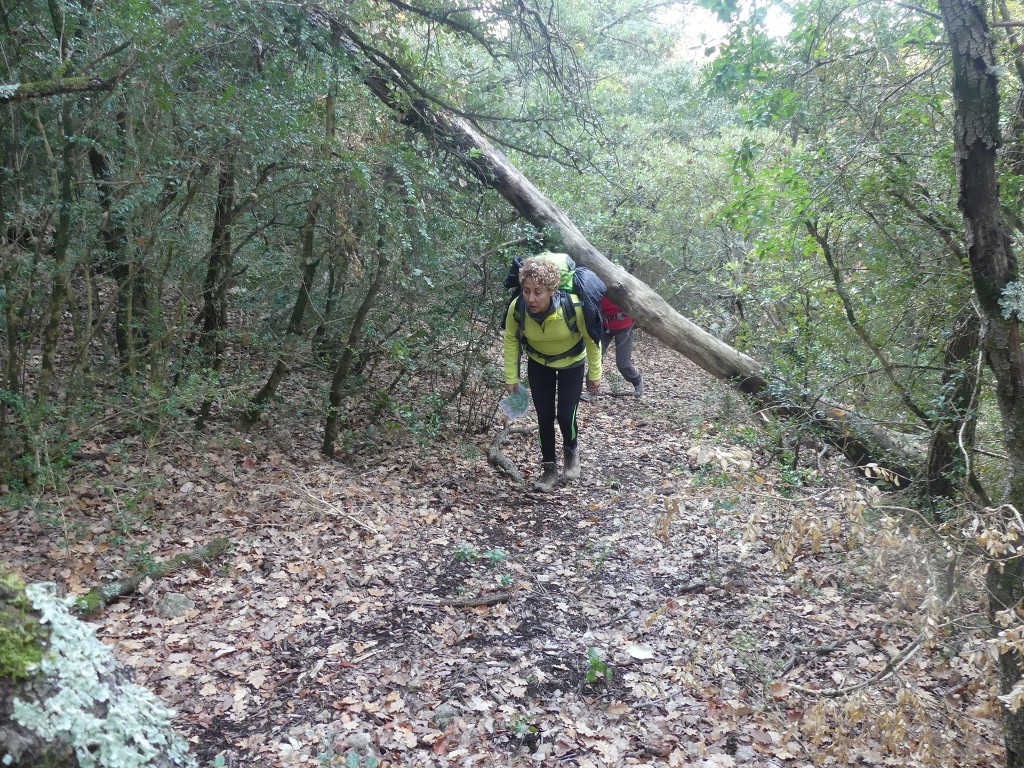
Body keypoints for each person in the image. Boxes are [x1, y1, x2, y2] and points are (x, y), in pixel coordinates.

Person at [504, 256, 602, 491]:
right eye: (527, 290)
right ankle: (549, 470)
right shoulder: (517, 308)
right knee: (544, 417)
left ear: (552, 290)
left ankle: (571, 448)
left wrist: (595, 373)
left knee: (565, 415)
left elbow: (591, 338)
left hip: (572, 364)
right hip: (539, 364)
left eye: (538, 292)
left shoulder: (574, 306)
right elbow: (510, 339)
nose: (531, 298)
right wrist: (511, 377)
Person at [582, 295, 643, 399]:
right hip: (605, 326)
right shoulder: (599, 288)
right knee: (596, 357)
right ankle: (591, 391)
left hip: (624, 327)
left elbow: (636, 303)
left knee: (623, 364)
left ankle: (637, 382)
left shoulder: (621, 289)